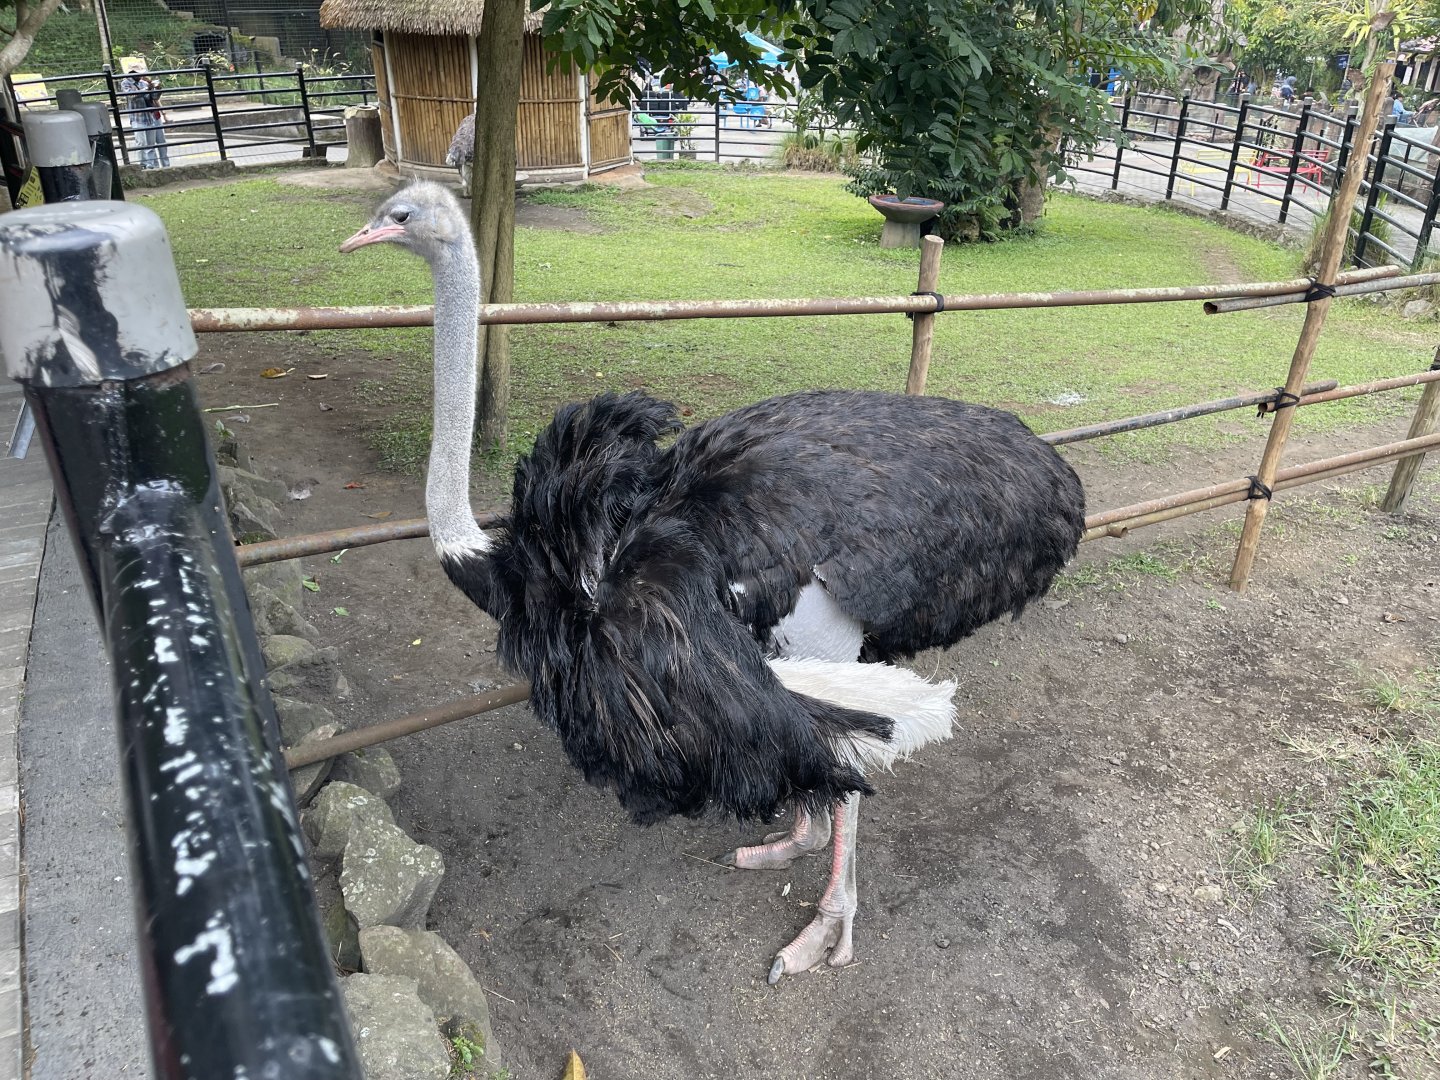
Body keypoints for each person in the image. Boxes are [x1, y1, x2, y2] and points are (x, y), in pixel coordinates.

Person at [120, 67, 169, 168]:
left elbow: (153, 98)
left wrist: (157, 90)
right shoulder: (125, 83)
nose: (141, 76)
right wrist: (147, 89)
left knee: (151, 145)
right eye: (139, 74)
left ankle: (151, 166)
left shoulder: (144, 83)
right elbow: (132, 96)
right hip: (137, 118)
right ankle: (144, 165)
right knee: (141, 143)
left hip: (149, 117)